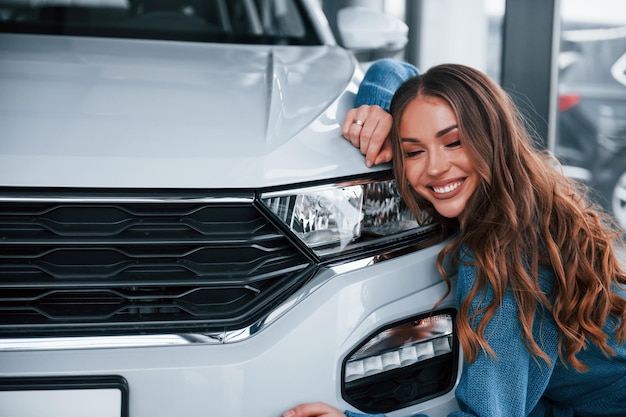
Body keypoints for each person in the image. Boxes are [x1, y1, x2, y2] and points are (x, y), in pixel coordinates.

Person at [282, 59, 626, 417]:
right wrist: (380, 110)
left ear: (491, 138)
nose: (434, 166)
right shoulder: (522, 199)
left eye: (454, 142)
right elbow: (393, 67)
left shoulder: (509, 259)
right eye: (413, 151)